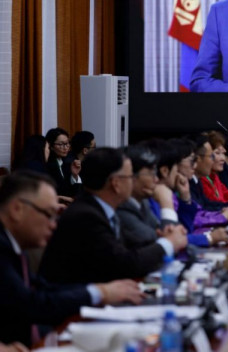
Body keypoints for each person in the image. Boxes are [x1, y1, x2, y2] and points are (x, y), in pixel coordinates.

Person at [0, 171, 143, 347]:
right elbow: (30, 304)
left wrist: (99, 291)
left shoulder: (14, 244)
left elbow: (41, 289)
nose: (54, 224)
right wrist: (100, 293)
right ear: (17, 209)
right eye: (49, 214)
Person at [39, 147, 188, 284]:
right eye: (130, 176)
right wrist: (168, 243)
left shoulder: (103, 209)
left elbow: (127, 254)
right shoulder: (86, 216)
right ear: (116, 184)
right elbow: (124, 264)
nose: (133, 181)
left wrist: (164, 241)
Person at [44, 127, 81, 198]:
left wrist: (75, 175)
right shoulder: (48, 164)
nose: (66, 147)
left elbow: (77, 191)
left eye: (67, 143)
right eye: (61, 144)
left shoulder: (68, 162)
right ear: (51, 146)